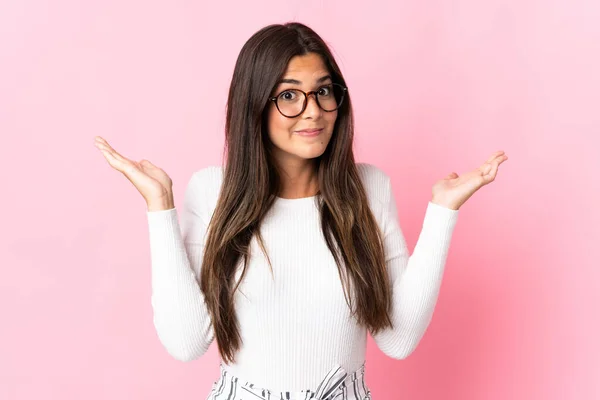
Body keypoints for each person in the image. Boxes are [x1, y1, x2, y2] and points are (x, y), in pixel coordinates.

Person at [93, 22, 507, 400]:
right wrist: (159, 206)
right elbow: (186, 343)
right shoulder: (211, 191)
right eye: (289, 95)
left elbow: (398, 340)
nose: (313, 110)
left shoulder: (369, 188)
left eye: (324, 90)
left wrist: (442, 211)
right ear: (255, 104)